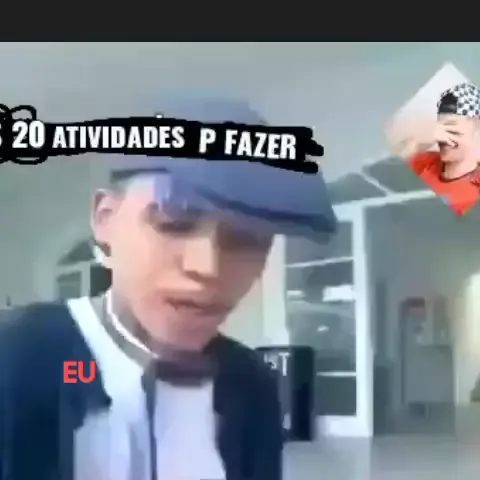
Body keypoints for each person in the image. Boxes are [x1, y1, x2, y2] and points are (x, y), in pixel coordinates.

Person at [0, 97, 337, 480]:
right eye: (174, 223)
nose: (208, 268)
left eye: (248, 240)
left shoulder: (249, 382)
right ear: (105, 218)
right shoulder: (18, 357)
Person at [387, 82, 480, 215]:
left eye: (452, 127)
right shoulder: (424, 161)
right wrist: (416, 141)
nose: (442, 137)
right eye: (440, 127)